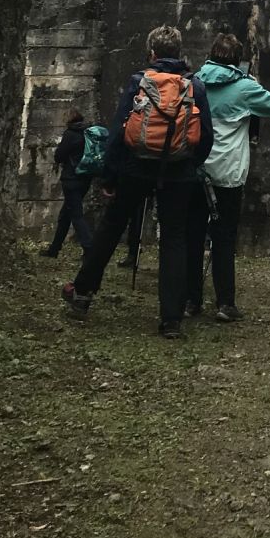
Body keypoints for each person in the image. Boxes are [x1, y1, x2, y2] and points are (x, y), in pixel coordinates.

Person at [61, 25, 213, 338]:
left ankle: (82, 293)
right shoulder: (194, 85)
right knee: (174, 239)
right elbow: (206, 136)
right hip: (178, 171)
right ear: (179, 52)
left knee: (111, 228)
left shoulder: (139, 82)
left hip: (135, 167)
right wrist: (189, 165)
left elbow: (118, 132)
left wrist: (110, 175)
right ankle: (171, 319)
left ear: (152, 52)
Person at [186, 34, 270, 322]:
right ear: (237, 59)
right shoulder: (244, 88)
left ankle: (191, 300)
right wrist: (253, 85)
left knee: (192, 236)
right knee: (224, 238)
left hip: (196, 169)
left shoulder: (194, 83)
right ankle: (224, 302)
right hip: (228, 173)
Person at [42, 109, 95, 259]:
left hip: (71, 179)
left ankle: (89, 248)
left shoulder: (70, 134)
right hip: (85, 178)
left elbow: (59, 156)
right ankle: (54, 249)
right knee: (65, 215)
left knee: (76, 214)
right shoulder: (87, 133)